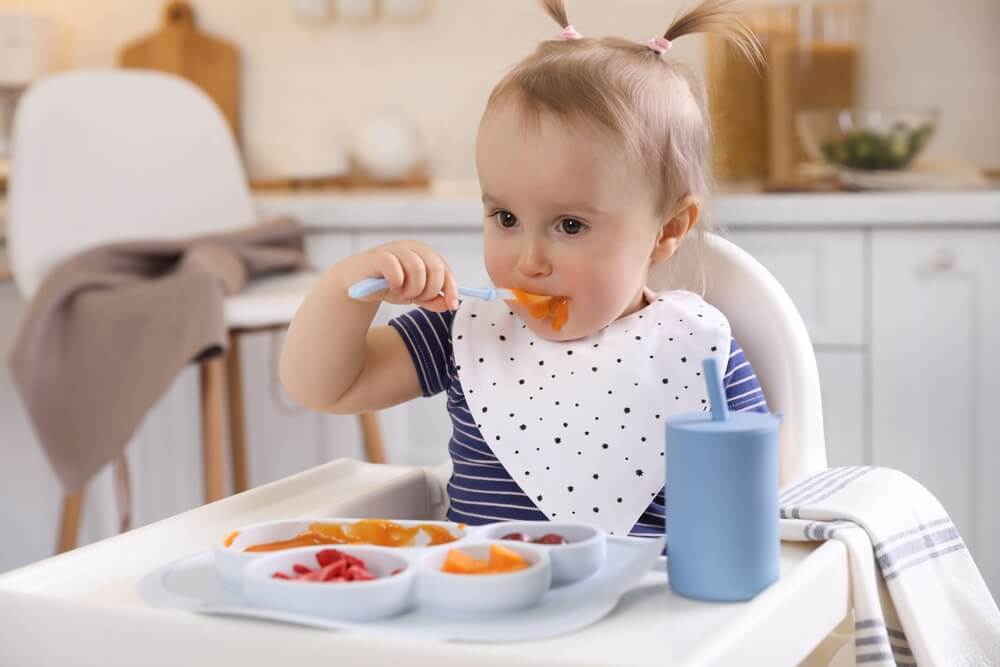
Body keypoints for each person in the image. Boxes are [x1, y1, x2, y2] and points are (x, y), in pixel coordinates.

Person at [280, 0, 767, 537]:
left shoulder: (698, 351)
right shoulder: (464, 332)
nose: (529, 262)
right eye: (505, 217)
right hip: (481, 603)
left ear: (669, 229)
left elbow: (754, 508)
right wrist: (350, 285)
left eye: (571, 226)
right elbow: (324, 386)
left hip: (644, 612)